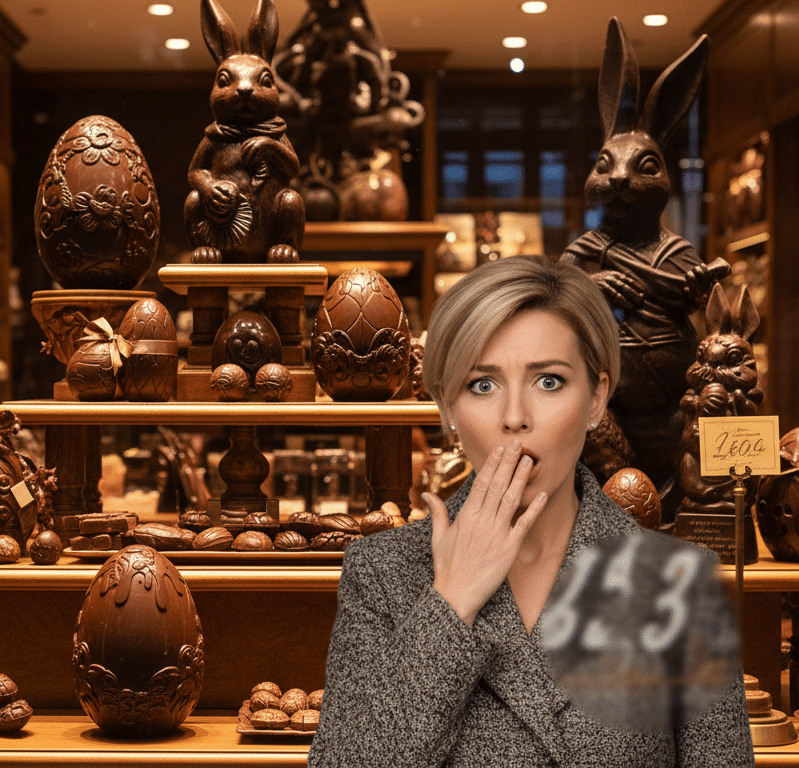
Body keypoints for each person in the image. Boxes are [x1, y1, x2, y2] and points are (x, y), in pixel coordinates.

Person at [308, 256, 753, 767]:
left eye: (548, 382)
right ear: (448, 409)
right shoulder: (380, 574)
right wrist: (452, 602)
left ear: (596, 399)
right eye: (483, 385)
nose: (515, 417)